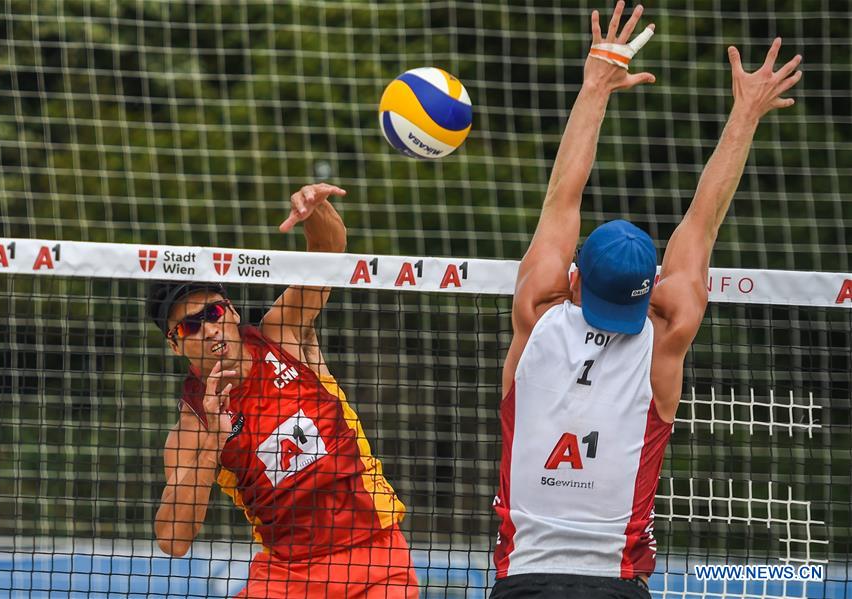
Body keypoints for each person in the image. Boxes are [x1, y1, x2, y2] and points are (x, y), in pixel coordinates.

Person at [491, 2, 802, 598]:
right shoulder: (665, 335)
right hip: (617, 586)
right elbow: (702, 224)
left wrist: (596, 85)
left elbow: (563, 197)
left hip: (524, 583)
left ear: (574, 278)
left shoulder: (537, 314)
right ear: (649, 292)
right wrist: (746, 113)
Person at [147, 183, 419, 598]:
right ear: (175, 342)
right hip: (288, 574)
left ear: (232, 310)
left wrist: (316, 210)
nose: (209, 329)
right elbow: (172, 539)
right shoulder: (193, 424)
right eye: (190, 325)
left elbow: (328, 254)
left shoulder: (282, 333)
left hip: (374, 557)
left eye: (213, 312)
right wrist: (214, 443)